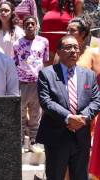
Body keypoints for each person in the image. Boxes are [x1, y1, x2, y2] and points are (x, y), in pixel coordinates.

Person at [36, 35, 100, 180]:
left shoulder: (89, 75)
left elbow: (96, 100)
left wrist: (82, 118)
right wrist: (69, 118)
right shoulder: (47, 74)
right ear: (58, 52)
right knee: (55, 176)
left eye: (76, 47)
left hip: (81, 137)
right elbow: (46, 101)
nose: (73, 51)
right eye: (68, 47)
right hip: (56, 136)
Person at [13, 16, 49, 144]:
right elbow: (15, 62)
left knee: (35, 114)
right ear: (23, 27)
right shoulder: (17, 44)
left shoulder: (44, 42)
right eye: (27, 24)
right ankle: (21, 141)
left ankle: (34, 140)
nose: (29, 26)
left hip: (37, 83)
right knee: (21, 113)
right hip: (22, 83)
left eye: (32, 24)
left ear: (36, 26)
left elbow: (45, 61)